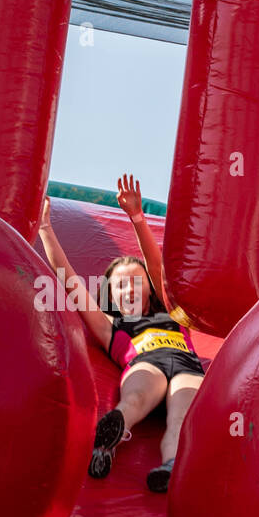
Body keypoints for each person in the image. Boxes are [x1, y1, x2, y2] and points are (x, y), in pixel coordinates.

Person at [38, 174, 204, 493]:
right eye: (121, 283)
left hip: (186, 366)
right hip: (146, 363)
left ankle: (170, 464)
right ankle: (108, 439)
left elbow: (156, 268)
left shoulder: (172, 312)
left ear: (148, 290)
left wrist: (137, 218)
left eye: (136, 282)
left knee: (183, 415)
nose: (129, 288)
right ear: (110, 293)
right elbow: (68, 279)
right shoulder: (109, 326)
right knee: (137, 397)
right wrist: (46, 228)